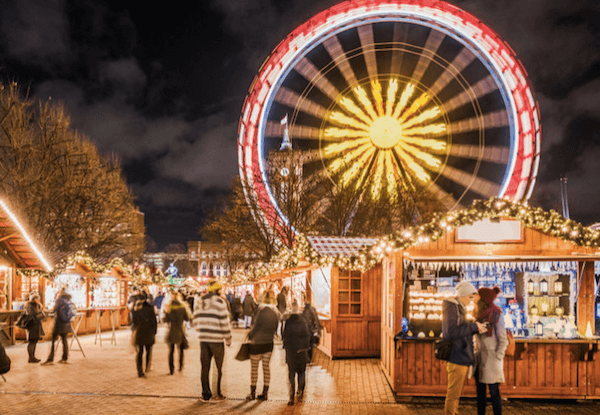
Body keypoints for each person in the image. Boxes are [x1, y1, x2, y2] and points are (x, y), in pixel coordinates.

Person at [442, 281, 488, 415]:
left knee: (455, 393)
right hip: (456, 355)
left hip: (459, 355)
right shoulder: (452, 307)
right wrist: (473, 327)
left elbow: (458, 328)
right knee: (453, 393)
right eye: (470, 297)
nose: (472, 300)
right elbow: (450, 332)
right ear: (462, 295)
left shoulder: (457, 307)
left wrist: (473, 325)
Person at [193, 281, 231, 402]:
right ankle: (216, 394)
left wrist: (201, 331)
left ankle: (205, 393)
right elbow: (224, 322)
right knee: (217, 367)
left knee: (205, 367)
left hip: (203, 339)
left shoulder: (200, 301)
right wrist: (228, 338)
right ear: (218, 291)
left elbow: (195, 318)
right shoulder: (220, 302)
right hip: (216, 339)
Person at [475, 287, 509, 415]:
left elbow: (503, 338)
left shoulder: (496, 314)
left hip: (491, 358)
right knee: (480, 393)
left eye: (479, 297)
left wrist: (498, 356)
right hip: (480, 358)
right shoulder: (479, 314)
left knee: (494, 392)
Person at [246, 289, 280, 401]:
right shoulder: (276, 313)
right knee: (266, 369)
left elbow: (256, 327)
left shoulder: (261, 311)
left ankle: (252, 393)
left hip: (257, 344)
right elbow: (275, 329)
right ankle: (265, 393)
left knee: (254, 369)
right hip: (269, 344)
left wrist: (250, 334)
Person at [282, 301, 311, 405]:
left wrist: (286, 347)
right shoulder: (303, 321)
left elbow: (284, 337)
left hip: (290, 353)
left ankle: (291, 396)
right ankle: (300, 391)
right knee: (301, 373)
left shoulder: (288, 322)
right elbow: (307, 336)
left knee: (291, 374)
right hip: (301, 352)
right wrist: (304, 346)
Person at [42, 288, 73, 366]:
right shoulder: (68, 300)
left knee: (52, 341)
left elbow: (55, 309)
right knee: (64, 341)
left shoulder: (59, 300)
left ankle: (50, 359)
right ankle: (64, 358)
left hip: (59, 324)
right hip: (67, 324)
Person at [164, 291, 191, 375]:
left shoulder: (169, 307)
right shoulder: (182, 307)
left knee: (171, 351)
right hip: (180, 330)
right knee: (181, 350)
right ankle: (180, 367)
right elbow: (187, 318)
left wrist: (167, 312)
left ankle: (171, 369)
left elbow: (165, 320)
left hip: (171, 330)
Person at [131, 293, 157, 378]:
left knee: (139, 352)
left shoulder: (135, 309)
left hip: (139, 333)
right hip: (149, 332)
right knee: (148, 351)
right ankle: (147, 366)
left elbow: (134, 323)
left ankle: (139, 370)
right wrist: (154, 332)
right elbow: (154, 322)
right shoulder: (150, 308)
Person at [24, 293, 46, 363]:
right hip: (32, 326)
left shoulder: (37, 305)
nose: (38, 300)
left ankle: (33, 357)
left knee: (34, 341)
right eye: (37, 299)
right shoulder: (30, 306)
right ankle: (31, 357)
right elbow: (33, 315)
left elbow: (38, 313)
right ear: (33, 299)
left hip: (36, 325)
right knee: (32, 341)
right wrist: (41, 315)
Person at [301, 295, 322, 362]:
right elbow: (316, 320)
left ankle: (308, 359)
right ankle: (309, 359)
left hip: (308, 330)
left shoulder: (305, 311)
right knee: (311, 345)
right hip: (312, 330)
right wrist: (318, 329)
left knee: (308, 345)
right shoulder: (313, 309)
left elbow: (306, 321)